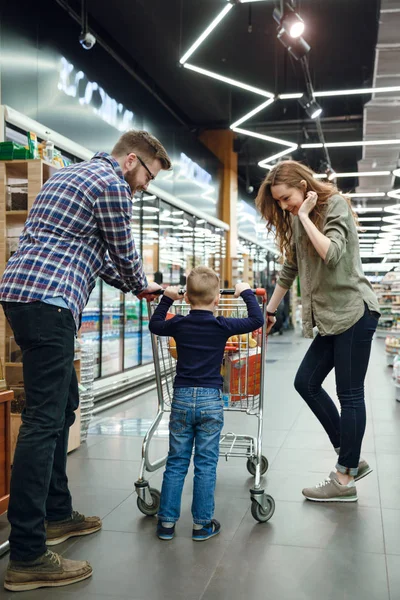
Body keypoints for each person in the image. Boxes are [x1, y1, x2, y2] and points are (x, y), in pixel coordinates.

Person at [0, 130, 170, 592]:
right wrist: (142, 285)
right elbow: (124, 251)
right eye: (147, 177)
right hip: (50, 301)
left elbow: (97, 259)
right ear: (132, 160)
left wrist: (144, 287)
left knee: (63, 406)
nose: (143, 188)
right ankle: (29, 554)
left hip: (25, 296)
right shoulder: (111, 183)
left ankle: (56, 513)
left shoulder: (70, 175)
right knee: (43, 420)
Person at [256, 160, 380, 503]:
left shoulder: (334, 205)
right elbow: (291, 267)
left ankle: (344, 479)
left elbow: (332, 254)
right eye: (279, 202)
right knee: (305, 382)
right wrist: (269, 311)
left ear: (302, 183)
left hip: (355, 311)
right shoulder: (297, 219)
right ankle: (350, 456)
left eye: (286, 197)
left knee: (349, 393)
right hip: (328, 316)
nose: (284, 206)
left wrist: (307, 216)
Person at [148, 267, 264, 541]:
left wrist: (167, 298)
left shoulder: (178, 323)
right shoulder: (221, 325)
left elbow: (155, 325)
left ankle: (166, 523)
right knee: (205, 463)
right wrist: (245, 291)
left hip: (182, 398)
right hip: (211, 400)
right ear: (216, 300)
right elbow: (256, 320)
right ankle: (201, 524)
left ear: (186, 299)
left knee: (176, 460)